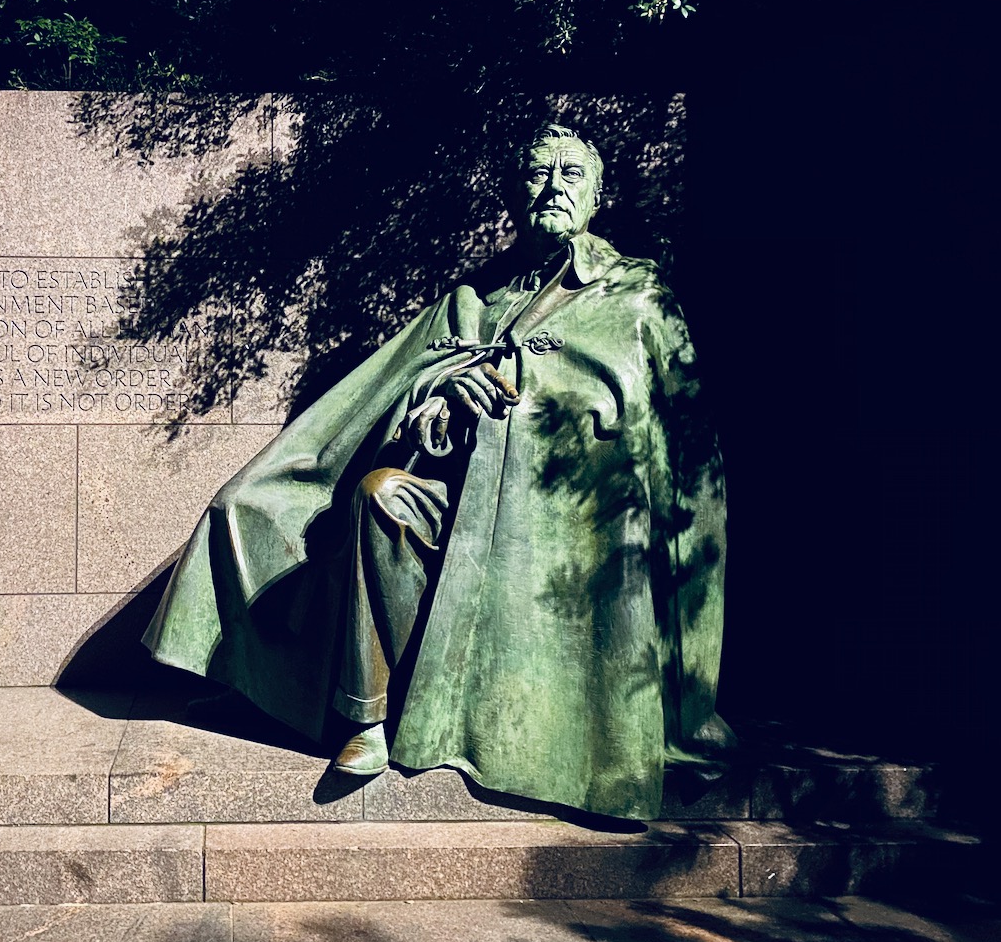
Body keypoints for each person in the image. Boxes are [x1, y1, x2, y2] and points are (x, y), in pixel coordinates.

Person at [143, 124, 733, 819]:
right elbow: (404, 395)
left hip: (560, 524)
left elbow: (684, 439)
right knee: (369, 496)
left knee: (392, 501)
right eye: (539, 173)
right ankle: (360, 714)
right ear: (516, 192)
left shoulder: (636, 293)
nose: (552, 187)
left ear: (597, 198)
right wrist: (445, 396)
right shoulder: (475, 297)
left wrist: (531, 393)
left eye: (571, 176)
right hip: (456, 500)